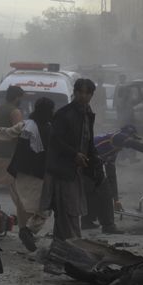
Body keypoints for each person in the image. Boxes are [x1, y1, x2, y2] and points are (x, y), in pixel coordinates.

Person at [0, 97, 55, 251]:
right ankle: (27, 231)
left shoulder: (26, 126)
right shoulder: (52, 129)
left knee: (24, 205)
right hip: (38, 176)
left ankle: (25, 231)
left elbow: (3, 133)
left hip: (20, 173)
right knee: (44, 210)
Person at [81, 124, 143, 234]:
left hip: (88, 163)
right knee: (103, 193)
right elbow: (138, 146)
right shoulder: (118, 136)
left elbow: (111, 176)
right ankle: (108, 226)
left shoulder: (113, 149)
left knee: (94, 192)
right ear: (128, 135)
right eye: (132, 138)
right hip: (84, 162)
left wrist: (116, 200)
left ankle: (87, 222)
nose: (130, 144)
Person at [42, 78, 101, 241]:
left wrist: (95, 161)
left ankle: (61, 247)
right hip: (63, 170)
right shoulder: (64, 114)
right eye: (80, 92)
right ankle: (74, 245)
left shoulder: (88, 113)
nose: (83, 96)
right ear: (74, 93)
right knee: (69, 210)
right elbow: (54, 140)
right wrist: (74, 154)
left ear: (91, 95)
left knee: (67, 212)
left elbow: (88, 141)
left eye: (87, 93)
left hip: (77, 171)